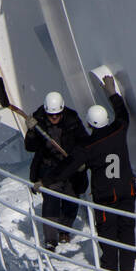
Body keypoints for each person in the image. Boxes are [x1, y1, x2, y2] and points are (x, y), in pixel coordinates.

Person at [43, 72, 136, 271]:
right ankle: (128, 268)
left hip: (106, 196)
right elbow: (123, 115)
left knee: (107, 231)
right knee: (127, 228)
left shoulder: (88, 146)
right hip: (127, 190)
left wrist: (46, 181)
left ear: (90, 124)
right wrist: (113, 94)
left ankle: (110, 270)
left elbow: (68, 166)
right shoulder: (119, 130)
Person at [24, 91, 88, 250]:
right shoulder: (38, 121)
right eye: (51, 116)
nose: (54, 118)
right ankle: (50, 239)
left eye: (57, 115)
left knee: (72, 198)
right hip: (49, 168)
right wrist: (31, 132)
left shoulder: (72, 120)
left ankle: (64, 230)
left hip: (70, 166)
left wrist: (81, 160)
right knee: (51, 200)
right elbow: (29, 147)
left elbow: (85, 142)